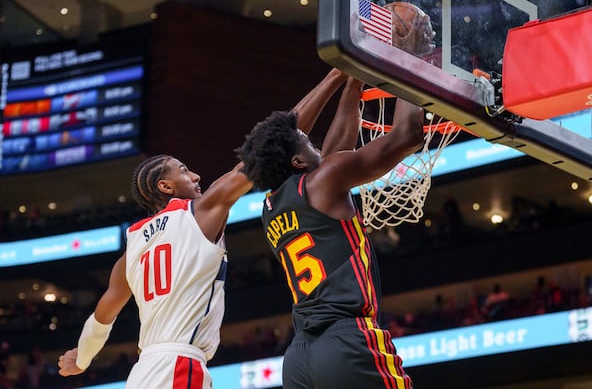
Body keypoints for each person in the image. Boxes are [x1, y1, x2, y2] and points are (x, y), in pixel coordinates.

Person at [56, 68, 350, 388]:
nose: (195, 176)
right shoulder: (199, 213)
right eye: (184, 170)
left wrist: (81, 359)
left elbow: (102, 319)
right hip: (178, 367)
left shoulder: (132, 250)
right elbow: (273, 145)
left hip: (142, 374)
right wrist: (336, 76)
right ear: (166, 186)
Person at [237, 74, 424, 388]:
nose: (318, 148)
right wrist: (411, 64)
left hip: (299, 358)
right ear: (297, 160)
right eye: (309, 144)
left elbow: (335, 154)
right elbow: (406, 136)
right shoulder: (324, 180)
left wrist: (353, 85)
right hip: (347, 340)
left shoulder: (270, 209)